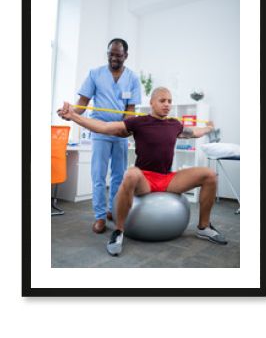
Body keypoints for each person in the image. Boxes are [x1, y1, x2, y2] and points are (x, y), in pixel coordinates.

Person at [58, 87, 228, 256]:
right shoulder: (138, 122)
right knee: (131, 173)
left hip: (166, 178)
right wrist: (74, 116)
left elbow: (194, 132)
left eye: (169, 101)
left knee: (209, 175)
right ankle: (119, 231)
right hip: (144, 179)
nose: (167, 104)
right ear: (152, 103)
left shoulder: (174, 124)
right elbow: (104, 127)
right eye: (162, 101)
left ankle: (204, 227)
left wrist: (209, 129)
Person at [58, 38, 141, 234]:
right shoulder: (95, 74)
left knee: (119, 176)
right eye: (110, 54)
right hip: (99, 131)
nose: (113, 58)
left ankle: (113, 210)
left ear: (125, 56)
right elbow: (83, 102)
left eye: (118, 55)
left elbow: (130, 109)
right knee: (98, 175)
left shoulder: (133, 78)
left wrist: (127, 128)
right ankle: (100, 216)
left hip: (120, 132)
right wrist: (71, 114)